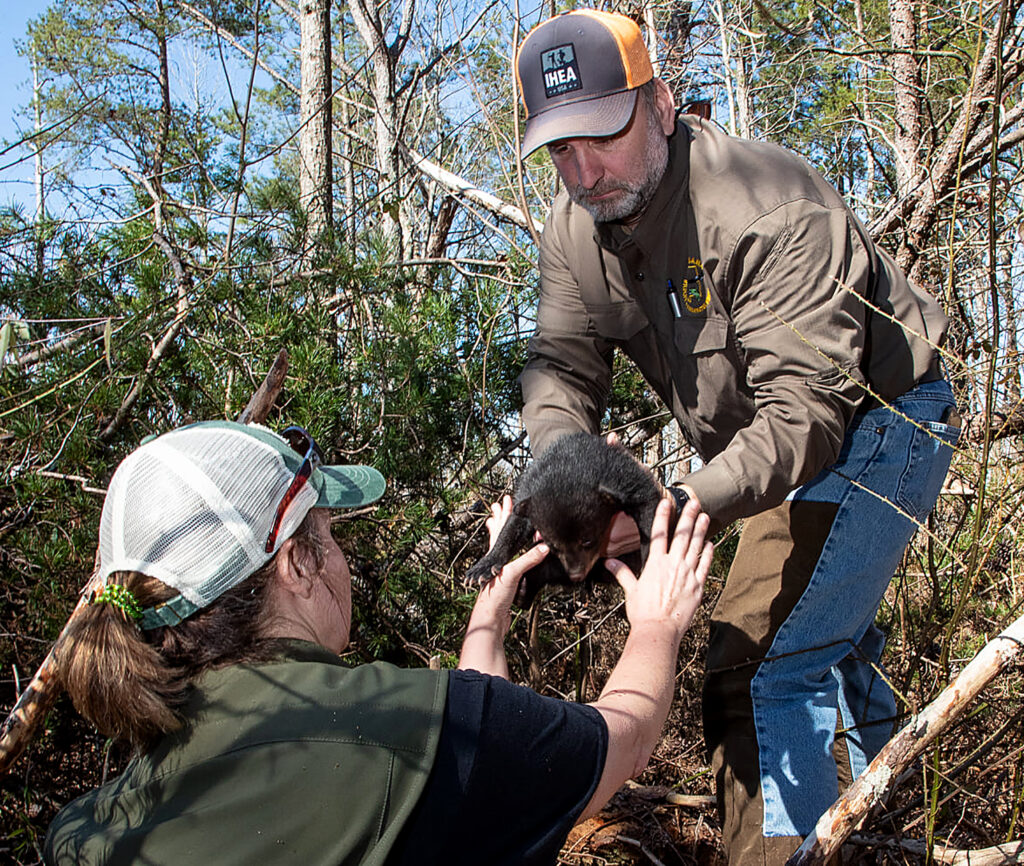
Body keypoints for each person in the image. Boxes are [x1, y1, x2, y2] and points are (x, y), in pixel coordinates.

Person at [513, 9, 960, 864]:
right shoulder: (577, 231)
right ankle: (883, 838)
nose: (584, 169)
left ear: (662, 103)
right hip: (770, 448)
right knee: (824, 643)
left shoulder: (765, 205)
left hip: (878, 422)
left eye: (602, 134)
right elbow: (561, 369)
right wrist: (565, 475)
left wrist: (676, 509)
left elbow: (806, 419)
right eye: (560, 149)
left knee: (756, 667)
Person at [44, 419, 712, 865]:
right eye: (330, 535)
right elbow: (614, 741)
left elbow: (481, 744)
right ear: (297, 566)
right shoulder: (390, 732)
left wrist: (493, 604)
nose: (342, 560)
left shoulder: (87, 832)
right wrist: (657, 624)